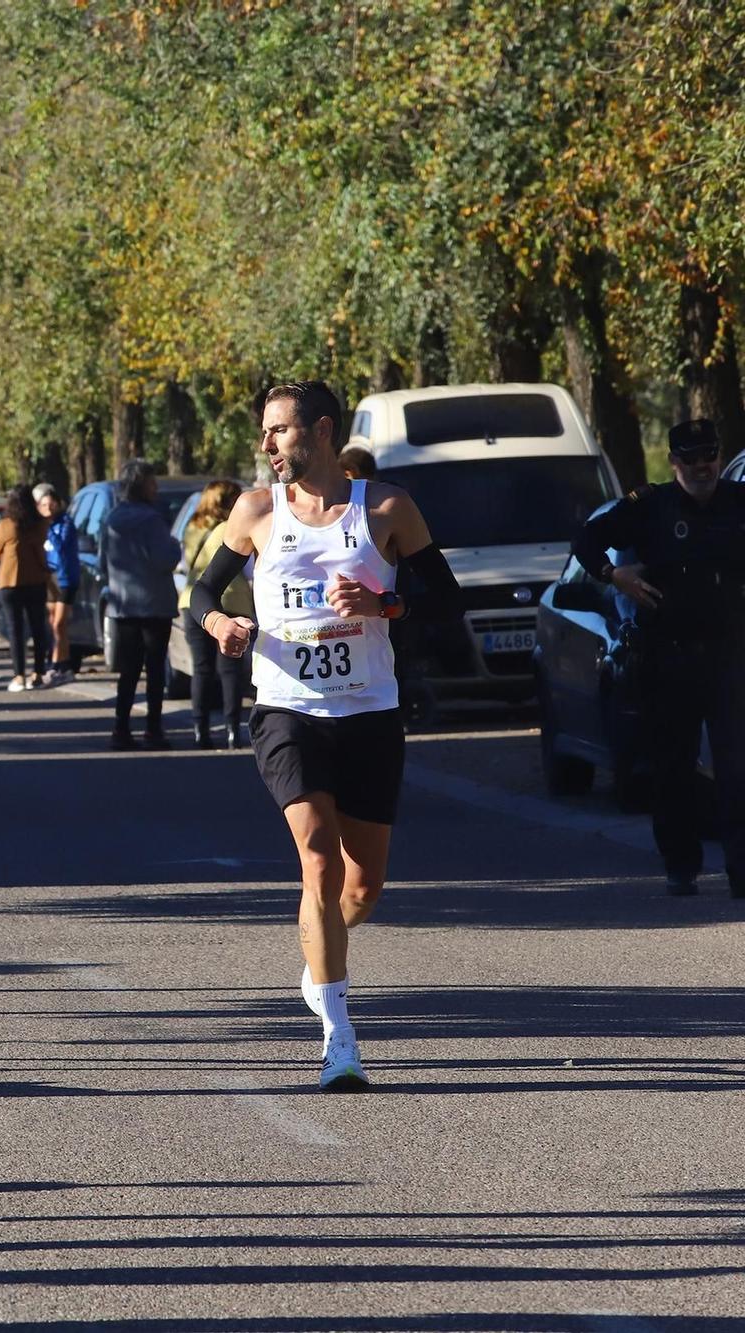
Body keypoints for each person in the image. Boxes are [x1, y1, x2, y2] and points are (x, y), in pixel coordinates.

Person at [192, 380, 460, 1091]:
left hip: (369, 711)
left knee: (363, 886)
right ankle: (339, 1036)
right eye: (266, 432)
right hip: (286, 709)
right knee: (318, 860)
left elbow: (444, 597)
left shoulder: (388, 509)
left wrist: (385, 601)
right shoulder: (255, 512)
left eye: (279, 430)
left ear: (321, 431)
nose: (268, 444)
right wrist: (223, 623)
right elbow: (200, 595)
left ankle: (320, 957)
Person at [571, 417, 745, 896]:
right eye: (690, 459)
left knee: (737, 768)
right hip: (669, 657)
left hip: (731, 656)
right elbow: (586, 541)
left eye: (709, 456)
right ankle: (681, 865)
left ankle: (741, 870)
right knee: (673, 769)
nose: (702, 466)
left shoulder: (738, 502)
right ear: (674, 463)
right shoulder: (651, 507)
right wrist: (614, 575)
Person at [99, 459, 182, 748]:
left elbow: (102, 562)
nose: (156, 488)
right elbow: (166, 559)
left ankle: (120, 728)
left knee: (128, 670)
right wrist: (175, 545)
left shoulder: (111, 519)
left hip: (122, 605)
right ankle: (153, 729)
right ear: (142, 486)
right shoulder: (151, 520)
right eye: (152, 482)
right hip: (154, 604)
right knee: (155, 669)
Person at [179, 479, 252, 749]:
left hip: (191, 603)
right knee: (230, 669)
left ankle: (201, 729)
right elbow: (248, 570)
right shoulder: (231, 529)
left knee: (201, 669)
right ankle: (232, 729)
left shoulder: (192, 529)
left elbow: (186, 563)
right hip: (231, 600)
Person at [0, 485, 52, 692]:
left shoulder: (5, 525)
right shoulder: (40, 524)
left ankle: (19, 675)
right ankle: (38, 673)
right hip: (36, 579)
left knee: (15, 630)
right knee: (38, 628)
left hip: (9, 582)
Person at [38, 483, 82, 682]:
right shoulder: (40, 526)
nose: (47, 509)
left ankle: (59, 664)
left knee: (59, 623)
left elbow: (62, 547)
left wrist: (48, 527)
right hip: (49, 577)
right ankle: (60, 662)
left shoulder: (65, 523)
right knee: (53, 622)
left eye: (50, 504)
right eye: (43, 505)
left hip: (65, 577)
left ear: (57, 504)